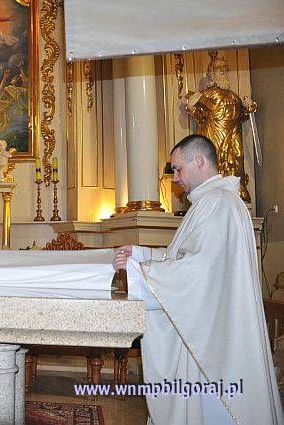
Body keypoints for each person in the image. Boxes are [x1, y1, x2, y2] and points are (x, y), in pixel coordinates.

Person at [113, 134, 283, 425]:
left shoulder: (217, 204)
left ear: (200, 161)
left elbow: (196, 272)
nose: (176, 178)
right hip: (213, 325)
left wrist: (141, 271)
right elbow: (187, 257)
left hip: (214, 340)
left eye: (178, 169)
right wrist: (140, 254)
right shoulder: (215, 202)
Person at [185, 51, 256, 202]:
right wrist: (191, 107)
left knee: (237, 160)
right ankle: (213, 192)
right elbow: (200, 117)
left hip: (233, 134)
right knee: (215, 162)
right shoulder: (205, 96)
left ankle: (238, 190)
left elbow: (240, 117)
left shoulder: (233, 96)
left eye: (225, 69)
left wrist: (249, 107)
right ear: (211, 74)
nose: (223, 72)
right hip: (214, 134)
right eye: (219, 69)